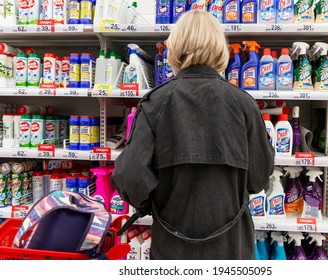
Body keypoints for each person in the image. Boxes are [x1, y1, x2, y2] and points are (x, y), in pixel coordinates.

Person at [111, 10, 274, 260]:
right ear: (220, 49)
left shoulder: (155, 103)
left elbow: (132, 177)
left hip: (171, 246)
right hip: (230, 248)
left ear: (174, 48)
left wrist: (150, 204)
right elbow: (259, 179)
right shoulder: (244, 105)